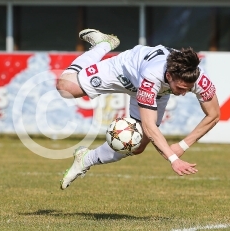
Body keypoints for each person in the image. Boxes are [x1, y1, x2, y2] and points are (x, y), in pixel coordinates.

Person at [56, 28, 220, 190]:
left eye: (188, 89)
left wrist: (183, 145)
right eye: (180, 88)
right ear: (169, 76)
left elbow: (213, 115)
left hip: (159, 91)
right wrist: (173, 159)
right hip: (124, 71)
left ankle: (85, 159)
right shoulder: (152, 75)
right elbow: (150, 126)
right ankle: (104, 44)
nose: (184, 93)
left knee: (138, 146)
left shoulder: (199, 79)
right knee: (65, 87)